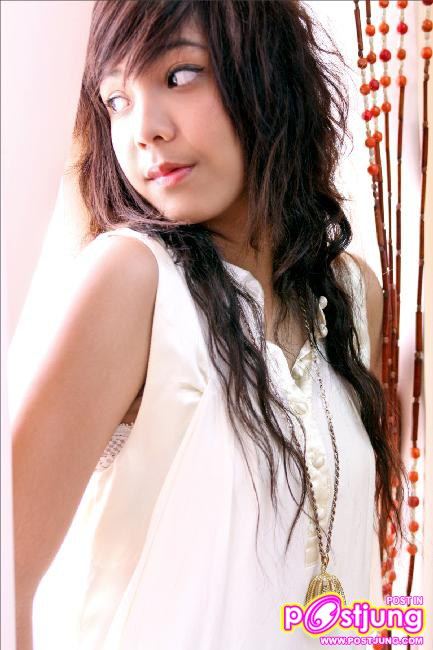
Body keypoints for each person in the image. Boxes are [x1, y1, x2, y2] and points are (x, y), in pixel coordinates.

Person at [12, 1, 405, 648]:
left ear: (269, 71)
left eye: (179, 75)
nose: (145, 129)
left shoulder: (350, 296)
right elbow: (10, 574)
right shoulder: (134, 280)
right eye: (116, 100)